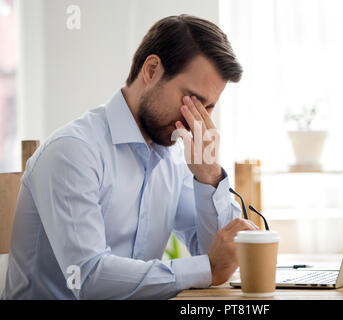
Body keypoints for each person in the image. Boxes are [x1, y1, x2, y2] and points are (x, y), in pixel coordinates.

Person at [1, 14, 258, 300]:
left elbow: (217, 257)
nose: (196, 121)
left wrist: (208, 176)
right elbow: (89, 279)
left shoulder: (175, 158)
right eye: (192, 100)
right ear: (151, 70)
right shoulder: (73, 151)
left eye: (208, 107)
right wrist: (207, 268)